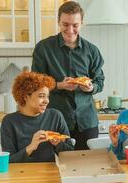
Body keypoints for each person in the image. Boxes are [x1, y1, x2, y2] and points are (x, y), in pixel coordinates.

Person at [31, 1, 105, 150]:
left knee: (87, 166)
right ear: (58, 22)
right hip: (54, 121)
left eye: (75, 25)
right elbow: (35, 84)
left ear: (81, 23)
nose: (70, 30)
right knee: (54, 168)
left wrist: (90, 88)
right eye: (65, 24)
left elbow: (100, 81)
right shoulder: (43, 48)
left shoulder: (92, 50)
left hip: (87, 122)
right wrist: (59, 85)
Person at [1, 71, 74, 163]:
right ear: (25, 96)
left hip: (51, 172)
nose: (46, 101)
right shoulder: (9, 121)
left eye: (47, 96)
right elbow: (9, 161)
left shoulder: (55, 116)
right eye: (41, 96)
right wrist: (31, 147)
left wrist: (58, 144)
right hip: (22, 174)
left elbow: (71, 152)